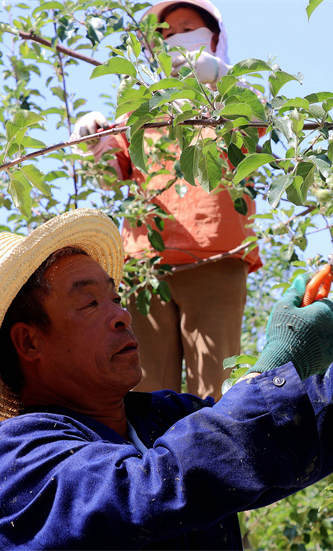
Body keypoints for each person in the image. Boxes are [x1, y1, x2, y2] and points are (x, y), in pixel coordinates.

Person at [0, 208, 333, 550]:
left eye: (116, 298)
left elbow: (304, 432)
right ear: (29, 342)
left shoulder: (166, 417)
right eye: (89, 303)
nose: (121, 315)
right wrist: (272, 373)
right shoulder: (18, 455)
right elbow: (149, 489)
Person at [69, 0, 258, 401]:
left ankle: (214, 462)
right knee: (142, 386)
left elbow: (260, 122)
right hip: (143, 265)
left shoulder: (229, 100)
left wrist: (221, 77)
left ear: (213, 37)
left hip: (214, 254)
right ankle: (151, 464)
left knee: (216, 389)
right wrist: (92, 142)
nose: (174, 38)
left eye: (186, 27)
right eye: (165, 34)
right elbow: (110, 176)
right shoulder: (143, 108)